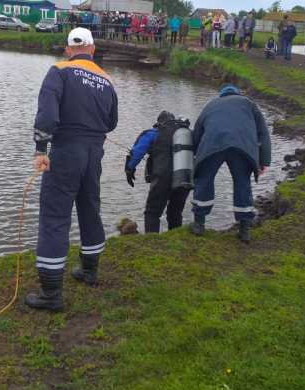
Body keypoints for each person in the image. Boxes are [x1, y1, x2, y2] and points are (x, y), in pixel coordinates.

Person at [26, 27, 119, 311]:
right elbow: (112, 122)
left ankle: (51, 294)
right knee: (90, 208)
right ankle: (89, 270)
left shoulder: (59, 71)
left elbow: (47, 115)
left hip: (66, 151)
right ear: (92, 49)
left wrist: (41, 149)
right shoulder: (107, 81)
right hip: (93, 154)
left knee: (55, 216)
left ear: (68, 50)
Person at [189, 84, 271, 243]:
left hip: (212, 145)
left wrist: (195, 155)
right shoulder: (249, 104)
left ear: (221, 95)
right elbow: (263, 133)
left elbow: (197, 132)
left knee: (204, 180)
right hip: (243, 148)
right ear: (237, 94)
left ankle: (199, 224)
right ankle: (244, 230)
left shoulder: (211, 105)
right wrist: (264, 161)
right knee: (242, 184)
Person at [124, 111, 192, 233]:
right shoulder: (186, 134)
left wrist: (129, 169)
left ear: (159, 122)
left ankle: (152, 241)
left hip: (162, 178)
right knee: (175, 212)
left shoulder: (153, 133)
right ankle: (176, 240)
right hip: (184, 177)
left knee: (152, 212)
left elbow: (137, 152)